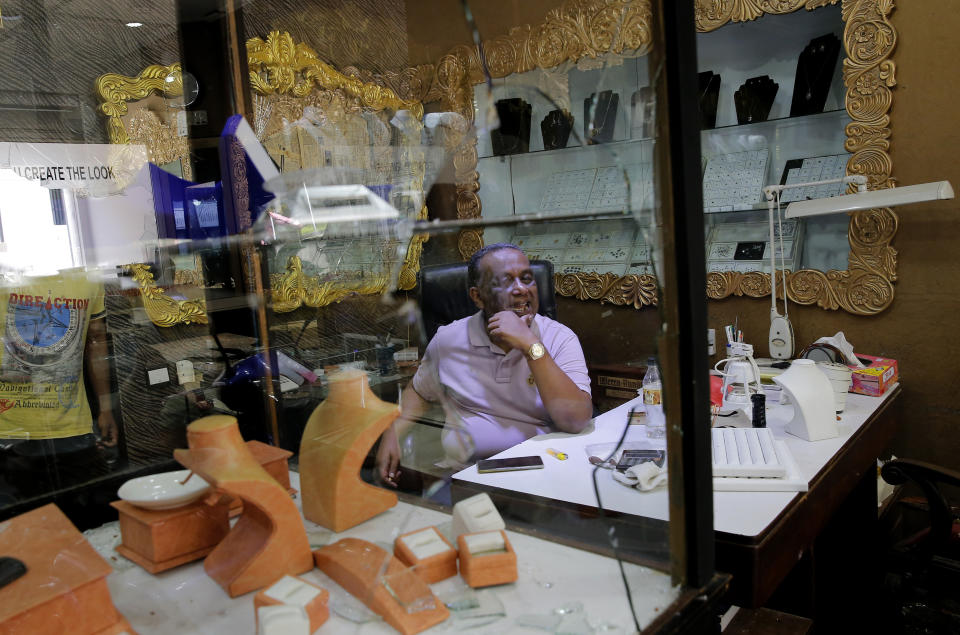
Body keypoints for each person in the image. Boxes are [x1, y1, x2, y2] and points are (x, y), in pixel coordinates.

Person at [376, 244, 592, 487]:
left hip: (543, 476)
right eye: (505, 281)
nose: (521, 289)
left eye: (527, 279)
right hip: (466, 475)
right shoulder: (448, 339)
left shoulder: (560, 338)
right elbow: (419, 391)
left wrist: (531, 346)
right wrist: (393, 431)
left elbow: (576, 419)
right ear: (478, 297)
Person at [0, 268, 117, 503]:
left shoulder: (87, 277)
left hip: (73, 427)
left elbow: (96, 340)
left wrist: (105, 408)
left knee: (84, 517)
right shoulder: (7, 275)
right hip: (9, 428)